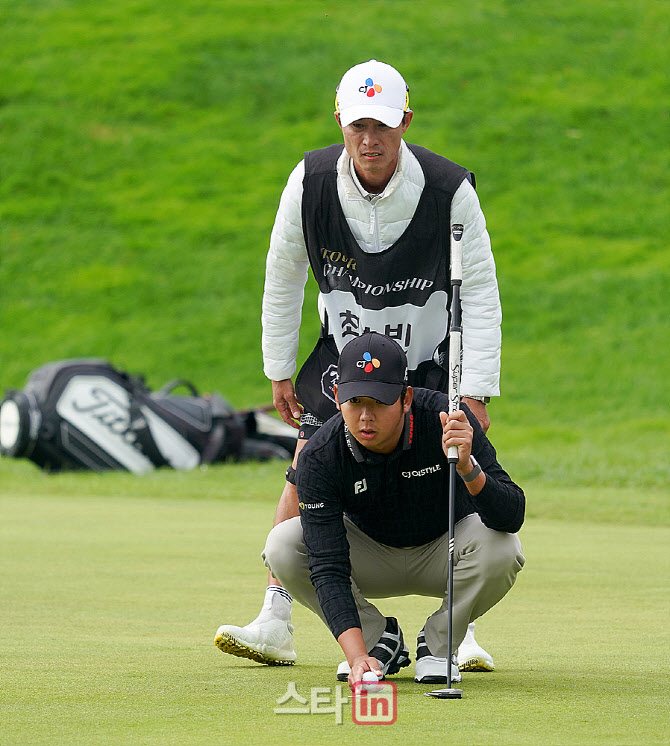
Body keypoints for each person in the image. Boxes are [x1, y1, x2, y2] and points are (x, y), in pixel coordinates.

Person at [215, 59, 502, 671]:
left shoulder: (452, 190)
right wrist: (278, 368)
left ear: (406, 122)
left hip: (428, 360)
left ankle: (461, 630)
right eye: (359, 126)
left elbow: (480, 290)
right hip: (343, 361)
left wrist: (478, 387)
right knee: (305, 463)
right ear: (340, 120)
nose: (370, 141)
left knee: (459, 465)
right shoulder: (310, 182)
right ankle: (275, 615)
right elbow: (283, 275)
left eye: (384, 126)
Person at [262, 332, 525, 688]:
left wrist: (468, 468)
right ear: (337, 397)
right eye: (355, 401)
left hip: (444, 553)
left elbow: (511, 516)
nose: (366, 417)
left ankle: (438, 645)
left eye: (380, 402)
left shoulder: (447, 420)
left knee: (503, 547)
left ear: (405, 398)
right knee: (284, 544)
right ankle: (378, 644)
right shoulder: (320, 456)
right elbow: (327, 566)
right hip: (369, 557)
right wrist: (356, 657)